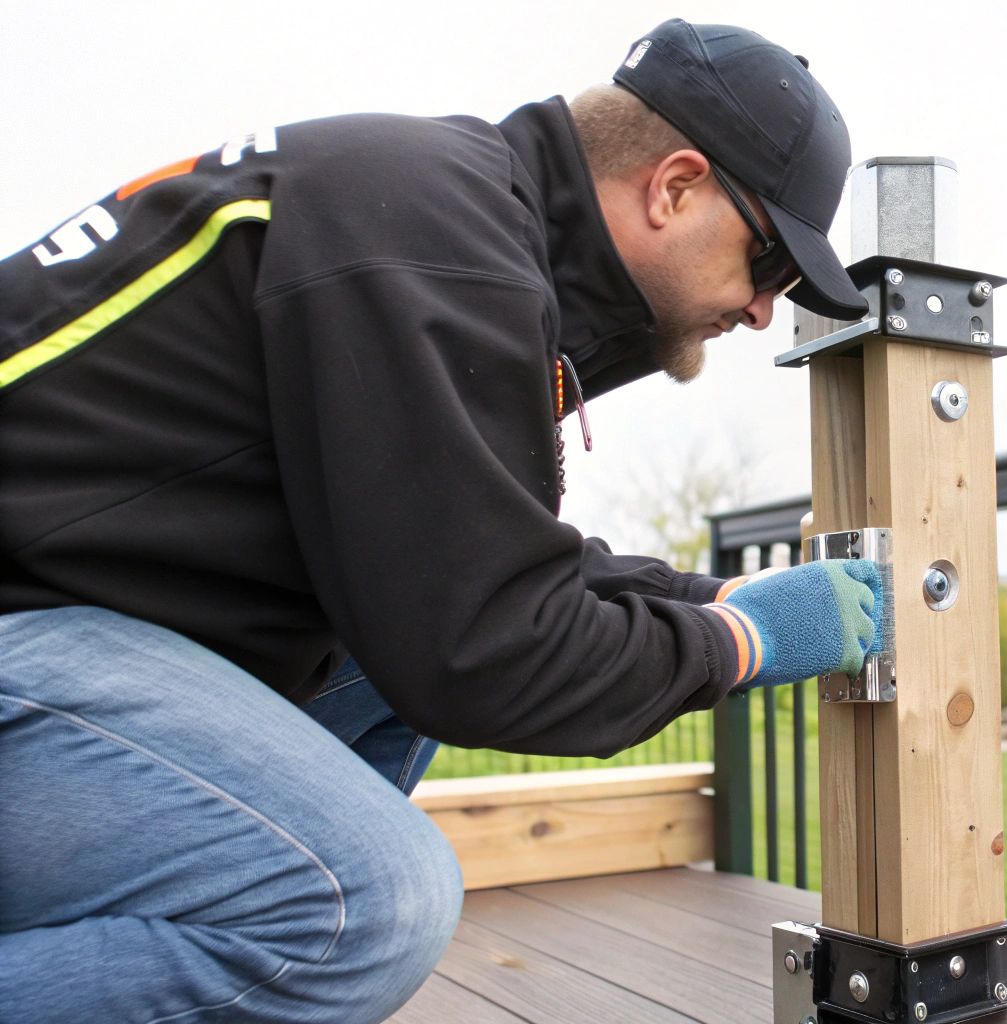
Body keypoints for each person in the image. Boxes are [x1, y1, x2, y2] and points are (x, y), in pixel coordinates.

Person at [0, 18, 881, 1023]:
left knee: (387, 651)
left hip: (60, 632)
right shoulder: (430, 237)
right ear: (673, 187)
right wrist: (741, 638)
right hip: (23, 636)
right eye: (768, 264)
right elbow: (485, 648)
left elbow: (467, 562)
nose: (764, 309)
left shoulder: (439, 212)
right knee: (362, 906)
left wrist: (710, 595)